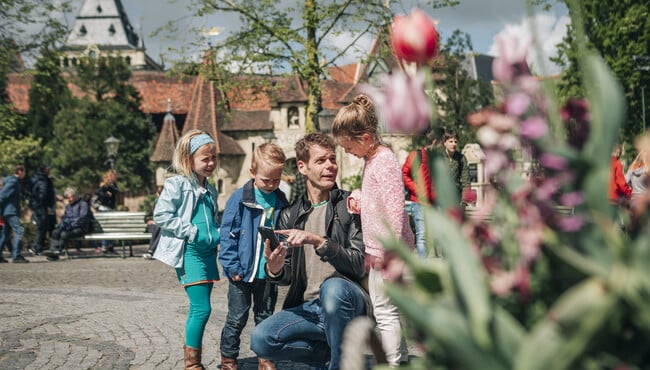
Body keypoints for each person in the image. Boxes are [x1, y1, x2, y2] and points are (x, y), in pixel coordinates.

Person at [250, 133, 369, 370]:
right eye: (321, 161)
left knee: (332, 288)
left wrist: (318, 241)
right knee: (260, 339)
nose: (330, 166)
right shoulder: (289, 214)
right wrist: (274, 269)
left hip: (347, 300)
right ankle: (329, 349)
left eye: (332, 159)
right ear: (302, 167)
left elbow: (358, 264)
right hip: (310, 309)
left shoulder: (351, 205)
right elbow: (286, 276)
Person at [331, 94, 413, 366]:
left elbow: (394, 207)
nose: (346, 152)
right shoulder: (374, 160)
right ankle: (396, 359)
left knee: (385, 311)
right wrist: (359, 197)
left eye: (348, 146)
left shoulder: (385, 160)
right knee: (385, 310)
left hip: (387, 252)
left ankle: (393, 362)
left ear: (365, 138)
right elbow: (379, 198)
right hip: (380, 250)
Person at [153, 129, 220, 370]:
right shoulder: (177, 184)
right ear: (188, 159)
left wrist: (218, 234)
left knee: (199, 307)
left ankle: (193, 362)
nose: (211, 163)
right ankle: (192, 366)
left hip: (208, 253)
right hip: (189, 251)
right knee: (202, 307)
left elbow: (212, 220)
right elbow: (161, 215)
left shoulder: (211, 189)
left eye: (214, 158)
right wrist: (192, 232)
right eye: (205, 158)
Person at [218, 143, 290, 370]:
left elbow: (285, 232)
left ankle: (264, 357)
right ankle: (228, 358)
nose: (270, 185)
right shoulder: (239, 199)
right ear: (252, 174)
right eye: (265, 180)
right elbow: (227, 235)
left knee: (266, 317)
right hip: (241, 272)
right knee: (237, 317)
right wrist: (232, 267)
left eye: (276, 180)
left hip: (268, 272)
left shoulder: (281, 201)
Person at [401, 130, 440, 258]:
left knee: (434, 235)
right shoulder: (416, 156)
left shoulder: (437, 158)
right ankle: (424, 267)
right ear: (435, 142)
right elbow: (404, 174)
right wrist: (418, 190)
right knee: (422, 236)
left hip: (434, 203)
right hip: (419, 202)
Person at [43, 187, 94, 261]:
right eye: (67, 198)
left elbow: (83, 219)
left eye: (70, 197)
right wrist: (63, 224)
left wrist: (71, 226)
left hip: (82, 228)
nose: (68, 200)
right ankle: (53, 252)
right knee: (55, 232)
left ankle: (58, 251)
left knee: (64, 234)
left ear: (75, 196)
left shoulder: (83, 204)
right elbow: (65, 217)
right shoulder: (68, 206)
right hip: (70, 227)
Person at [0, 165, 28, 263]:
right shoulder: (13, 181)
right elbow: (2, 195)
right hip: (11, 211)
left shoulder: (9, 180)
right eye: (24, 172)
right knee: (19, 230)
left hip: (6, 211)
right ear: (20, 171)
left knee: (5, 233)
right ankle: (16, 255)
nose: (25, 174)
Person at [28, 164, 56, 256]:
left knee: (42, 227)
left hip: (37, 206)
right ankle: (36, 247)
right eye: (48, 169)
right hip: (42, 207)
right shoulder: (43, 181)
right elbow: (43, 194)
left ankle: (39, 247)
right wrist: (47, 204)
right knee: (41, 228)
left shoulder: (35, 179)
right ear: (45, 170)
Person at [440, 129, 471, 205]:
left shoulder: (461, 158)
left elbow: (466, 180)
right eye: (450, 141)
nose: (453, 144)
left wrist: (465, 199)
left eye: (455, 142)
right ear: (445, 143)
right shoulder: (438, 156)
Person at [95, 169, 119, 254]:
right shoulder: (104, 185)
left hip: (111, 208)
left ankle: (111, 246)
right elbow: (98, 192)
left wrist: (111, 187)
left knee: (111, 228)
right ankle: (104, 246)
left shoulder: (113, 185)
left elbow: (116, 191)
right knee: (105, 228)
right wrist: (106, 194)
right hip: (104, 208)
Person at [142, 185, 163, 260]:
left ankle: (150, 250)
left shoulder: (168, 204)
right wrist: (149, 220)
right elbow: (146, 217)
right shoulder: (152, 204)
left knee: (161, 228)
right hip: (152, 226)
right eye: (159, 193)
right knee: (158, 227)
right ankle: (151, 251)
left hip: (161, 226)